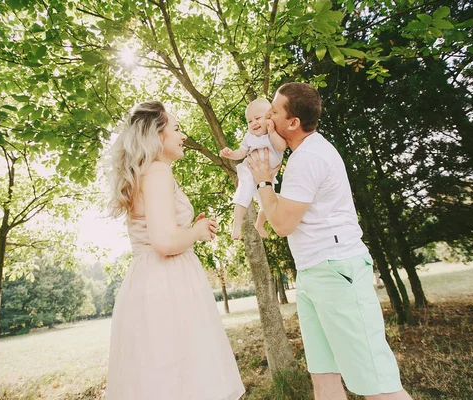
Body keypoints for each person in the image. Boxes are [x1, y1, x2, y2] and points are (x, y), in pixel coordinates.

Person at [246, 83, 413, 400]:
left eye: (274, 113)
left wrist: (263, 181)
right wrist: (267, 196)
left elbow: (282, 224)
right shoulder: (304, 156)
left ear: (293, 123)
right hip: (313, 273)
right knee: (323, 377)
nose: (267, 120)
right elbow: (292, 208)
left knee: (378, 385)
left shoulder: (308, 158)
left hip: (338, 272)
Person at [105, 101, 245, 400]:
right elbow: (165, 243)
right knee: (181, 380)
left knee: (166, 379)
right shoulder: (157, 172)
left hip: (153, 281)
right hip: (165, 285)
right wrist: (195, 232)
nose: (183, 136)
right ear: (157, 136)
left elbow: (163, 231)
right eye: (177, 129)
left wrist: (190, 230)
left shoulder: (146, 173)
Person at [219, 98, 287, 239]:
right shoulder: (249, 137)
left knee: (269, 204)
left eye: (257, 118)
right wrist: (231, 154)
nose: (254, 123)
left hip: (267, 177)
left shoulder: (273, 134)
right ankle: (237, 226)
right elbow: (241, 152)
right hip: (250, 171)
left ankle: (259, 224)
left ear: (269, 118)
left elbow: (282, 147)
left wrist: (273, 132)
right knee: (244, 193)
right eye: (249, 121)